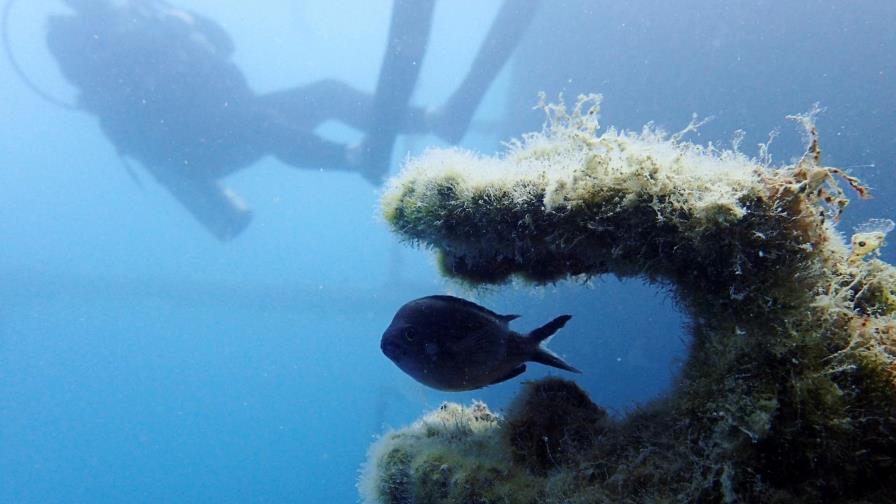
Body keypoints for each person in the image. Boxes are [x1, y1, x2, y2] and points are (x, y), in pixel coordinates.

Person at [44, 0, 539, 239]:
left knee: (326, 93)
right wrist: (158, 32)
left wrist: (185, 21)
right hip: (192, 148)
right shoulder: (67, 34)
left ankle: (431, 118)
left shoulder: (141, 10)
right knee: (262, 124)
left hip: (231, 113)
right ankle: (355, 157)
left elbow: (224, 43)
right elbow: (103, 77)